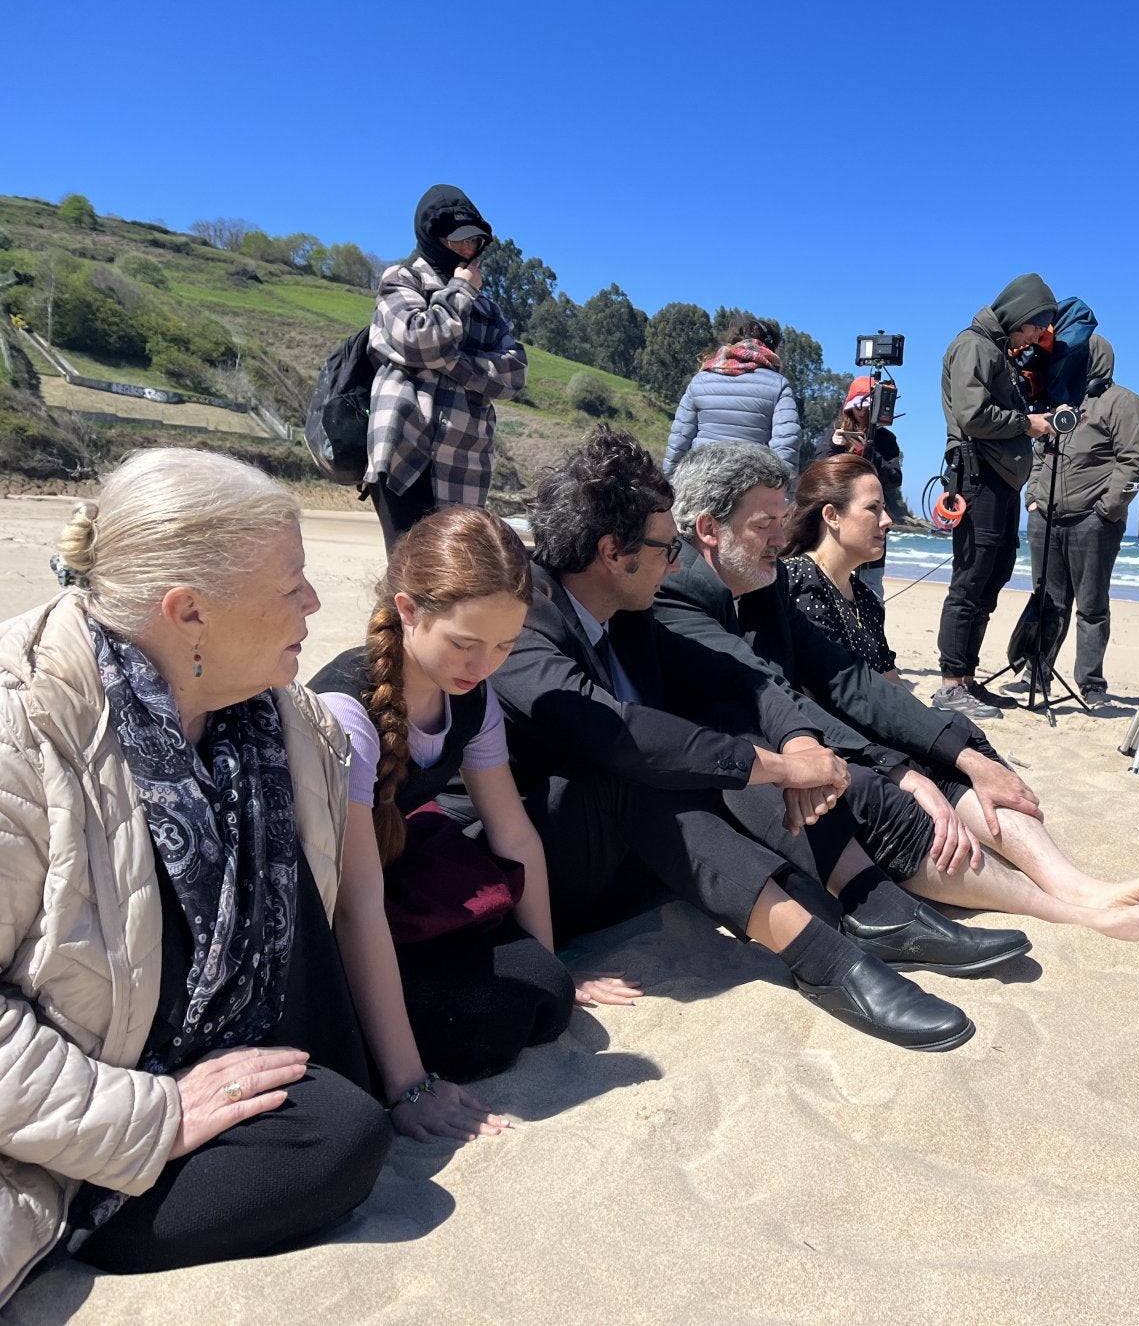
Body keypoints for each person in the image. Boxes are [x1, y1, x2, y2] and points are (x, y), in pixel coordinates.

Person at [485, 427, 1019, 1051]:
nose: (677, 562)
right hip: (533, 875)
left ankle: (874, 909)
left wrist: (796, 744)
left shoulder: (624, 612)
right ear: (612, 552)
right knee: (642, 769)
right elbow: (614, 734)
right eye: (665, 547)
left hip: (630, 863)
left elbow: (744, 677)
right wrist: (770, 768)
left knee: (722, 714)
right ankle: (827, 959)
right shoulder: (521, 621)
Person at [0, 450, 389, 1298]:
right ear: (189, 614)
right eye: (293, 586)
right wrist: (151, 1117)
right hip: (67, 1116)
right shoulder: (21, 734)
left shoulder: (286, 725)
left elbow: (331, 929)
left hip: (195, 1051)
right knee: (341, 1140)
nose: (316, 606)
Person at [660, 443, 1139, 943]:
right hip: (741, 774)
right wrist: (898, 768)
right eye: (766, 526)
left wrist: (962, 754)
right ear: (709, 528)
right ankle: (1077, 913)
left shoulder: (765, 583)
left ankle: (1082, 889)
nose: (781, 540)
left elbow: (855, 681)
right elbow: (780, 694)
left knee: (960, 757)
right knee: (881, 793)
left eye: (783, 522)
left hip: (805, 743)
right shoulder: (694, 595)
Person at [311, 508, 637, 1138]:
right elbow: (353, 905)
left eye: (505, 645)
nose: (483, 664)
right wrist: (411, 1086)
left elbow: (514, 834)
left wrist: (555, 969)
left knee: (543, 992)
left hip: (398, 883)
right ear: (408, 609)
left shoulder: (471, 695)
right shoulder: (347, 712)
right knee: (485, 1019)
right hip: (326, 915)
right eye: (465, 643)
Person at [364, 184, 528, 552]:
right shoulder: (401, 281)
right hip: (404, 448)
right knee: (405, 570)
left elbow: (514, 374)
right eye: (457, 242)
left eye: (474, 242)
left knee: (450, 578)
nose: (468, 250)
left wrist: (446, 361)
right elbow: (422, 340)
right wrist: (460, 292)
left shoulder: (488, 309)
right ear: (431, 236)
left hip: (465, 461)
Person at [935, 273, 1060, 719]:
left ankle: (966, 679)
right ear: (1016, 313)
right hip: (979, 475)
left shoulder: (995, 349)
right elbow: (972, 415)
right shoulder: (974, 345)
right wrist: (1030, 423)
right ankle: (951, 686)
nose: (1032, 338)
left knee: (991, 577)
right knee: (971, 580)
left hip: (1000, 478)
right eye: (1032, 327)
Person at [1023, 333, 1139, 702]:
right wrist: (1032, 497)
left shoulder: (1124, 403)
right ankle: (1038, 674)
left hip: (1093, 521)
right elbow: (1038, 452)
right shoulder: (1058, 401)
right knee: (1047, 603)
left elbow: (1133, 460)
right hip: (1044, 519)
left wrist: (1106, 510)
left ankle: (1091, 683)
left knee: (1092, 606)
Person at [661, 316, 802, 475]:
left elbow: (679, 439)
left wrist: (669, 483)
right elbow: (786, 444)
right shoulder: (779, 385)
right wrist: (784, 492)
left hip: (699, 480)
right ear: (770, 348)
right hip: (750, 485)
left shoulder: (700, 381)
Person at [824, 375, 904, 598]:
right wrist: (834, 447)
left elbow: (894, 478)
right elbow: (816, 475)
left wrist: (868, 452)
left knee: (871, 590)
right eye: (855, 406)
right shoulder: (835, 434)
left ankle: (871, 632)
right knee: (830, 587)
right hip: (836, 524)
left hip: (871, 526)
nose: (860, 412)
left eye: (866, 406)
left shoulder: (885, 440)